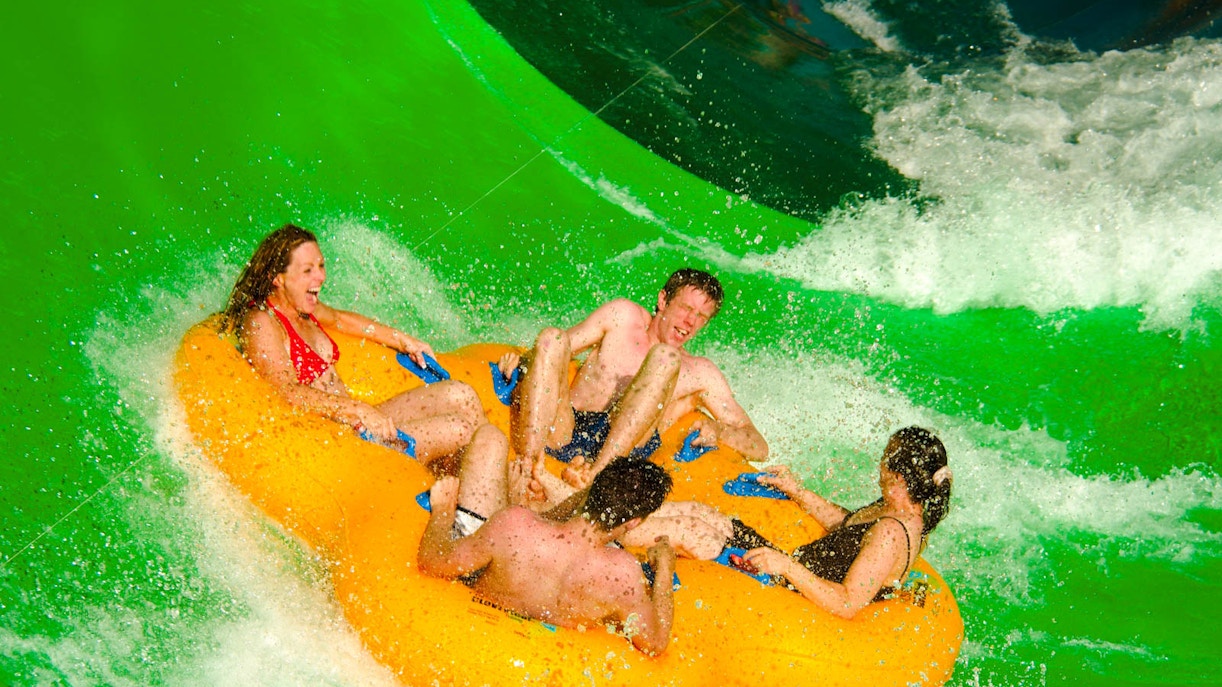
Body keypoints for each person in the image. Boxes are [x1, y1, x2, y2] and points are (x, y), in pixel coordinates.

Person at [219, 225, 508, 522]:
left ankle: (489, 494)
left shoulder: (304, 311)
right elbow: (286, 390)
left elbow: (343, 320)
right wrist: (357, 410)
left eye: (321, 266)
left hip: (357, 427)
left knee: (461, 393)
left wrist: (403, 340)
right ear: (277, 278)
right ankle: (473, 522)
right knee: (458, 429)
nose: (320, 277)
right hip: (338, 445)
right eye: (307, 270)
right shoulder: (263, 323)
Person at [624, 427, 953, 619]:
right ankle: (616, 513)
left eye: (885, 457)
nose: (879, 463)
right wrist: (798, 491)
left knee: (690, 532)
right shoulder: (899, 508)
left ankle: (608, 531)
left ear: (896, 475)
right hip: (794, 565)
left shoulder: (891, 534)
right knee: (700, 513)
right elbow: (850, 525)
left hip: (792, 590)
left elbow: (848, 602)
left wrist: (786, 567)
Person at [501, 268, 767, 505]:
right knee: (551, 336)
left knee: (665, 357)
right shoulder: (622, 317)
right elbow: (557, 347)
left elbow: (758, 445)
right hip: (566, 428)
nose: (690, 322)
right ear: (663, 300)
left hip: (622, 458)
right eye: (686, 309)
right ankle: (528, 467)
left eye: (701, 317)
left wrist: (719, 429)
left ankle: (594, 480)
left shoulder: (699, 372)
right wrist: (522, 361)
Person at [417, 458, 678, 655]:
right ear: (633, 523)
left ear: (592, 490)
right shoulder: (621, 574)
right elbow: (655, 643)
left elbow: (432, 562)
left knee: (489, 440)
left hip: (472, 639)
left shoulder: (514, 525)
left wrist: (442, 510)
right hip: (539, 658)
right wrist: (665, 567)